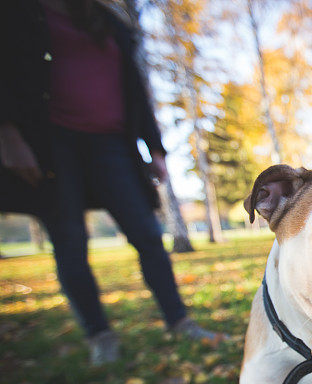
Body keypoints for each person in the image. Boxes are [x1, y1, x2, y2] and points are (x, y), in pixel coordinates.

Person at [0, 0, 220, 364]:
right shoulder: (19, 12)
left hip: (113, 144)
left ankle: (180, 321)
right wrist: (8, 134)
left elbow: (134, 88)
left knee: (148, 235)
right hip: (51, 142)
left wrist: (156, 148)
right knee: (69, 240)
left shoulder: (108, 20)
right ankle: (100, 336)